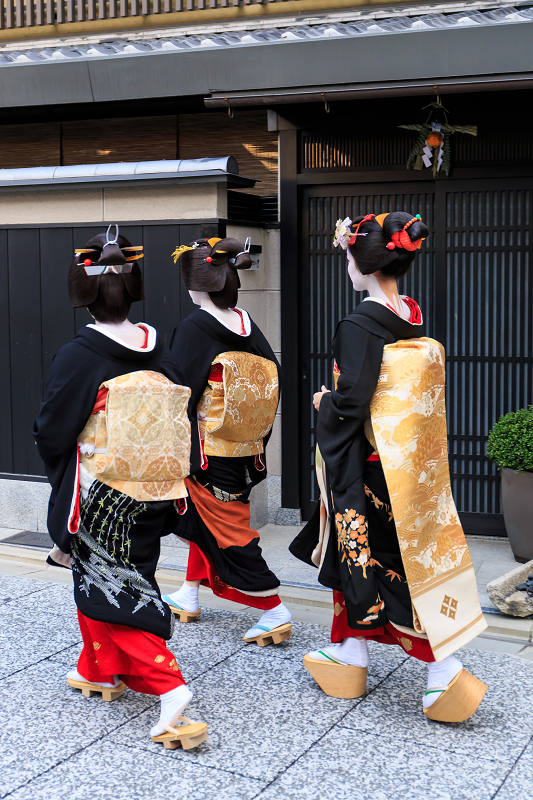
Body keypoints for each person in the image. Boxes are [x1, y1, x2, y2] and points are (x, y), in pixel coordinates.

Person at [290, 213, 488, 722]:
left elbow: (353, 403)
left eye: (347, 255)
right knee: (358, 552)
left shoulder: (359, 324)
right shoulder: (410, 316)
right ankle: (350, 653)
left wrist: (322, 401)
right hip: (407, 466)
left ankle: (443, 668)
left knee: (379, 561)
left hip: (371, 468)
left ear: (360, 261)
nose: (346, 264)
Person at [33, 225, 207, 750]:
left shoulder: (80, 354)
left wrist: (65, 464)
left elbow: (52, 431)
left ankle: (169, 687)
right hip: (154, 490)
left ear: (81, 292)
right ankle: (99, 669)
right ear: (132, 288)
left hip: (104, 494)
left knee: (114, 586)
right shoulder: (161, 349)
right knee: (115, 575)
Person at [162, 236, 292, 647]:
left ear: (195, 285)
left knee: (227, 528)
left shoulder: (194, 327)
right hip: (245, 446)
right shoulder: (247, 324)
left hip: (207, 448)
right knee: (210, 519)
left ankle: (273, 609)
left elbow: (179, 393)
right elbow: (274, 380)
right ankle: (189, 591)